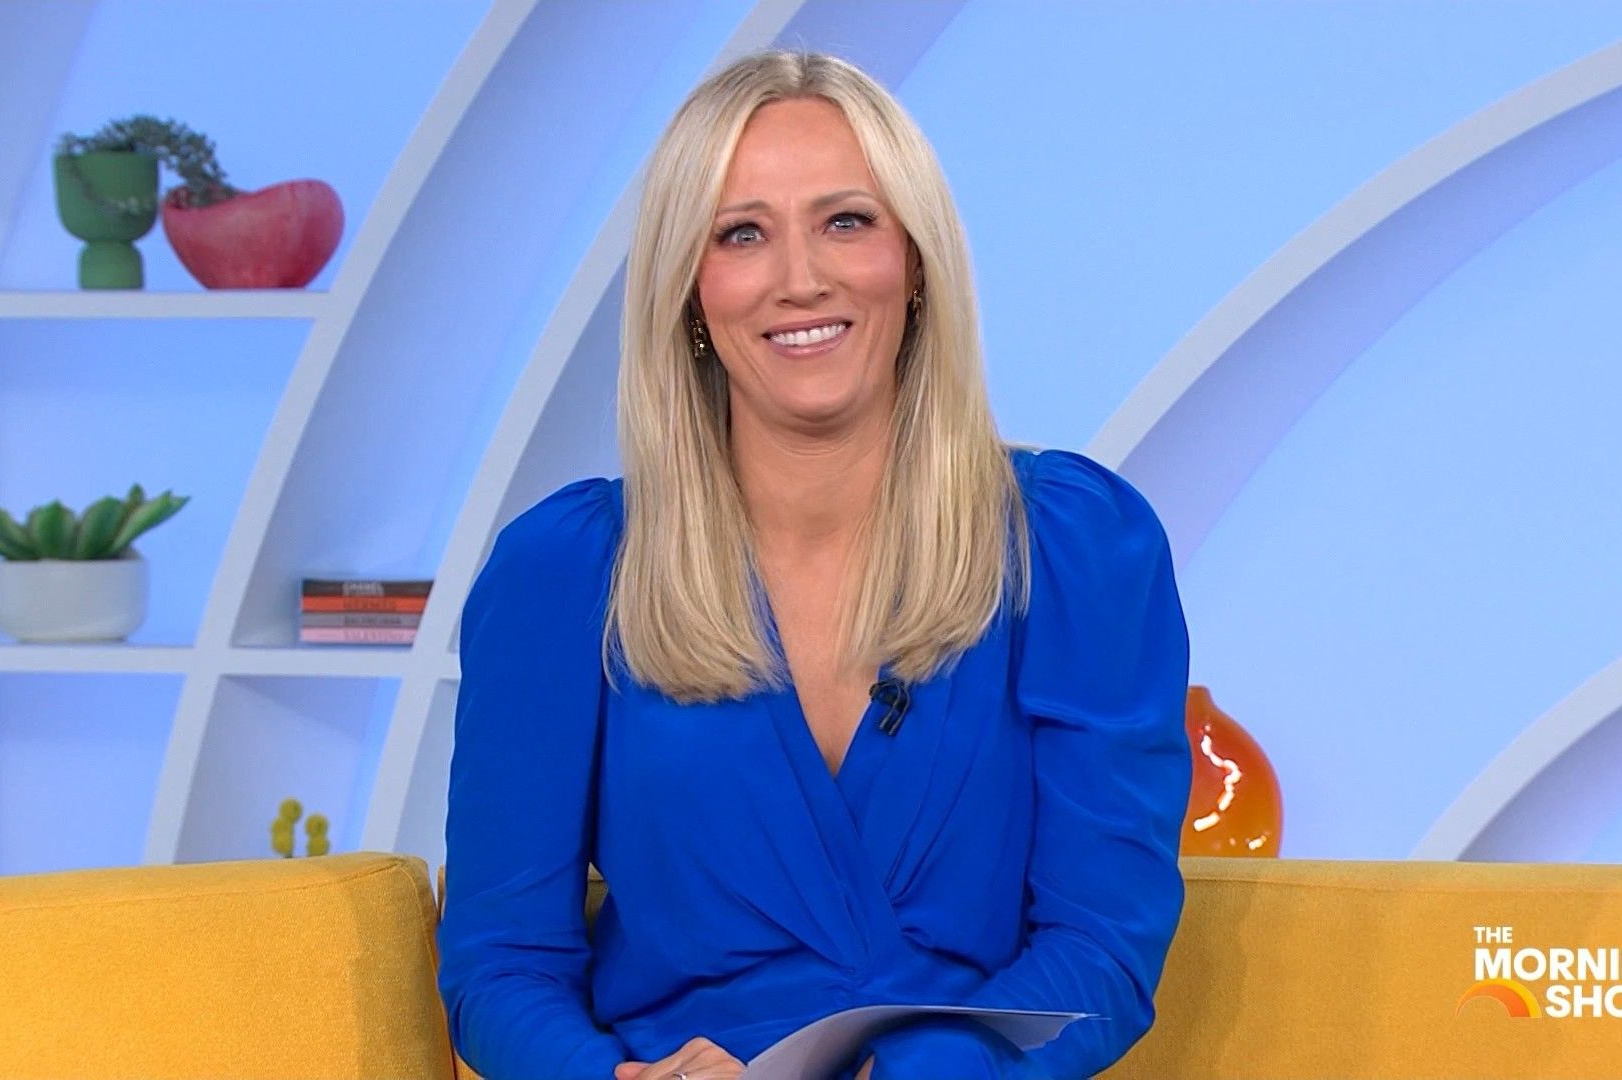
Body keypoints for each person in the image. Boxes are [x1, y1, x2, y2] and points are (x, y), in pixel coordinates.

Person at [437, 48, 1191, 1080]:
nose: (801, 278)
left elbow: (1103, 949)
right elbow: (500, 965)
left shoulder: (1076, 549)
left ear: (915, 262)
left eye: (847, 221)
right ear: (689, 290)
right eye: (741, 233)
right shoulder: (564, 575)